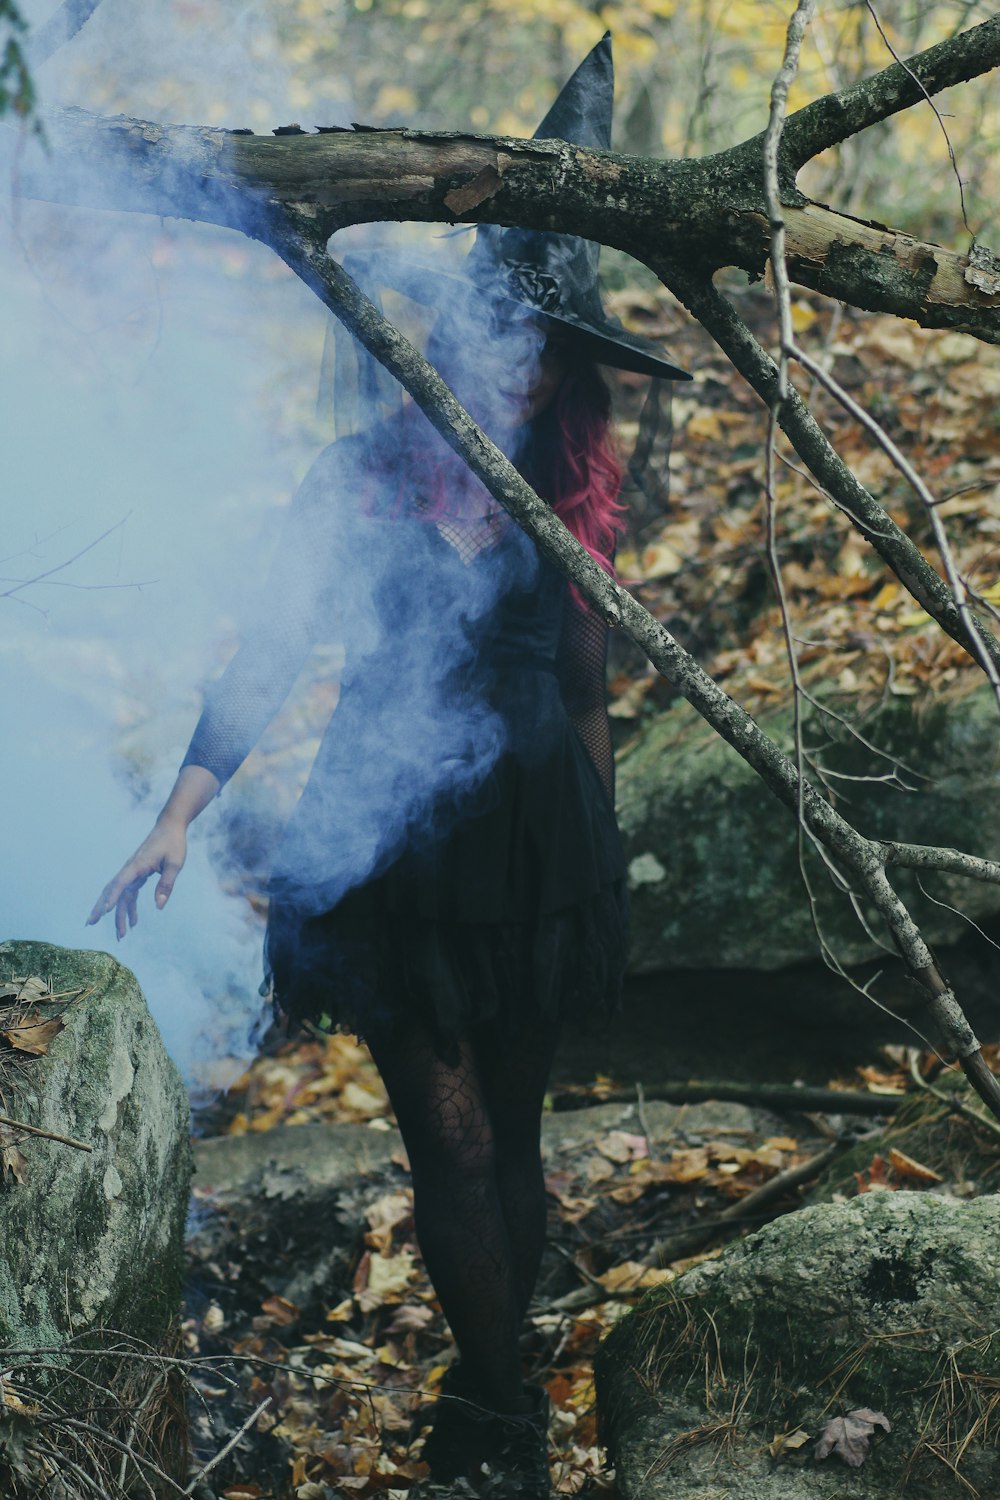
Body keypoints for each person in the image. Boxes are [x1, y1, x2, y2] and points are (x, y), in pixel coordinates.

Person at [88, 35, 688, 1498]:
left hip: (540, 843)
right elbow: (269, 656)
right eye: (502, 338)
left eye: (544, 351)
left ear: (558, 370)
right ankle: (508, 1423)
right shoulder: (354, 484)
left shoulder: (564, 495)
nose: (517, 368)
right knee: (452, 1138)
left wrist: (596, 847)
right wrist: (179, 814)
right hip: (398, 849)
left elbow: (584, 684)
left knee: (521, 1139)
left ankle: (487, 1423)